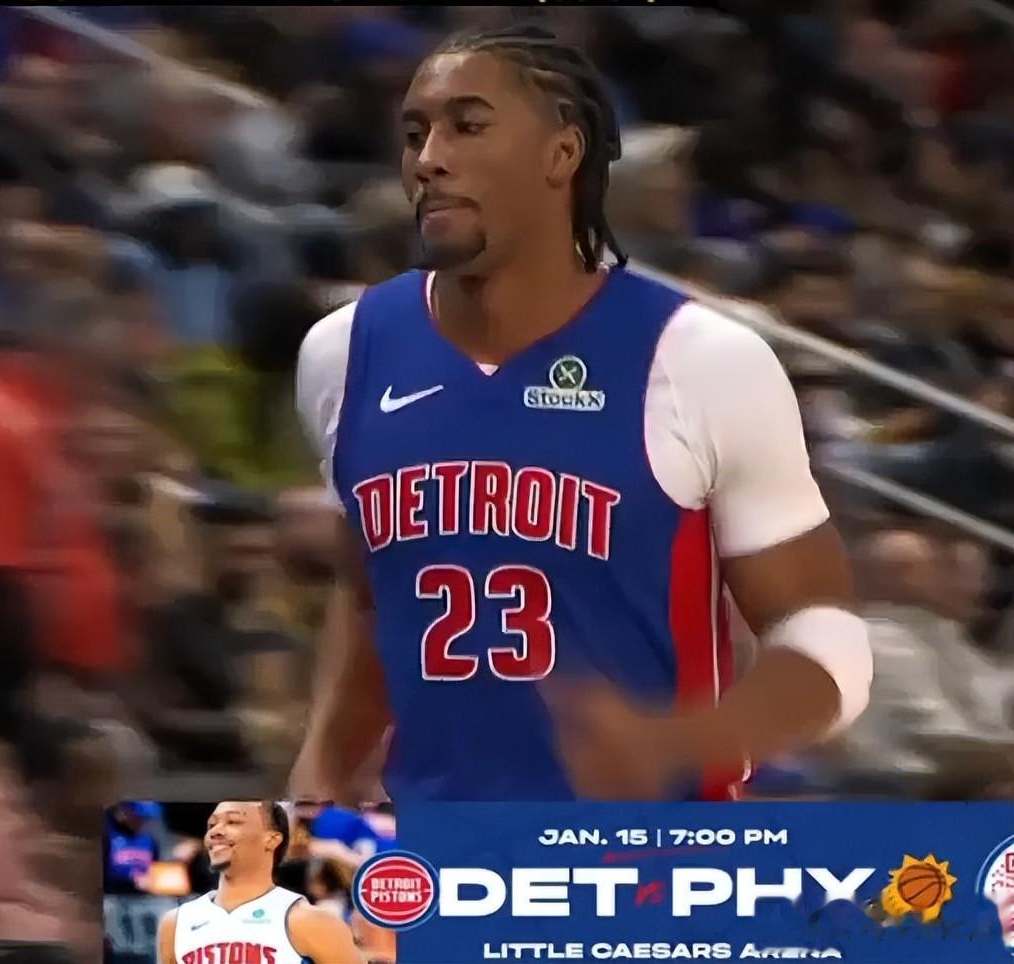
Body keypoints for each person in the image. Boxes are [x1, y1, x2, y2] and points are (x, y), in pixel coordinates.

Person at [291, 24, 873, 803]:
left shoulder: (699, 358)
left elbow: (829, 640)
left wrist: (681, 741)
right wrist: (319, 776)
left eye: (467, 126)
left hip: (647, 850)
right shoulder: (342, 351)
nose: (429, 157)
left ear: (561, 154)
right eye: (414, 133)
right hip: (432, 847)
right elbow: (369, 598)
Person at [157, 801, 359, 964]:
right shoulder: (175, 922)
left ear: (271, 839)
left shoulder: (309, 921)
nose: (216, 831)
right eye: (212, 824)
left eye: (233, 822)